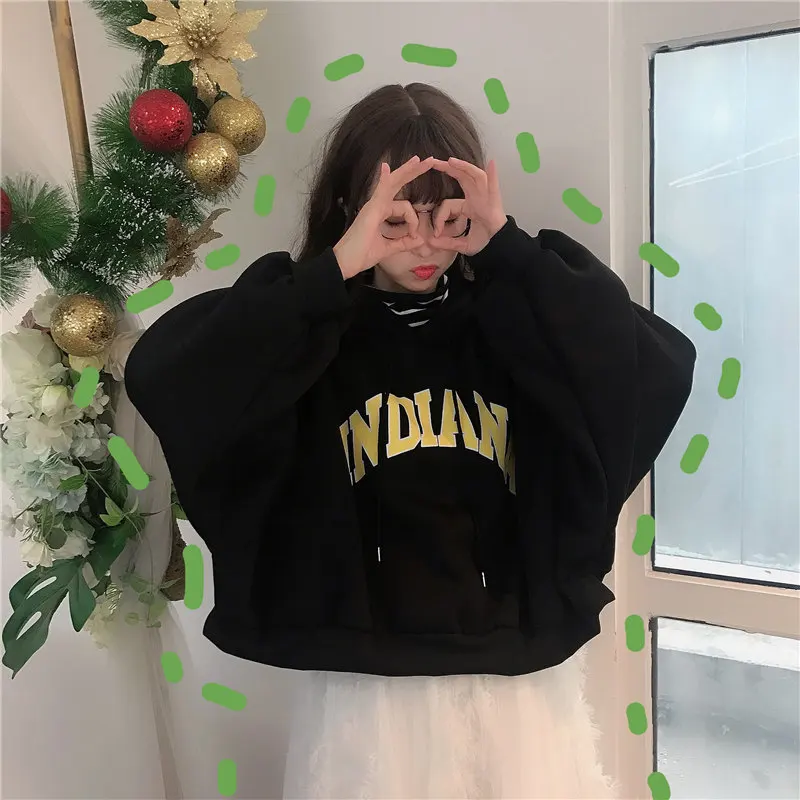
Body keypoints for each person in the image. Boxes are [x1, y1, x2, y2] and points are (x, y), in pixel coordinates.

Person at [125, 82, 697, 799]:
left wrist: (510, 249)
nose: (425, 242)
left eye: (444, 213)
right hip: (373, 691)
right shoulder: (308, 335)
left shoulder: (515, 321)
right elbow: (172, 374)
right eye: (398, 216)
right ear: (351, 207)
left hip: (514, 681)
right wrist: (334, 268)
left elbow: (649, 364)